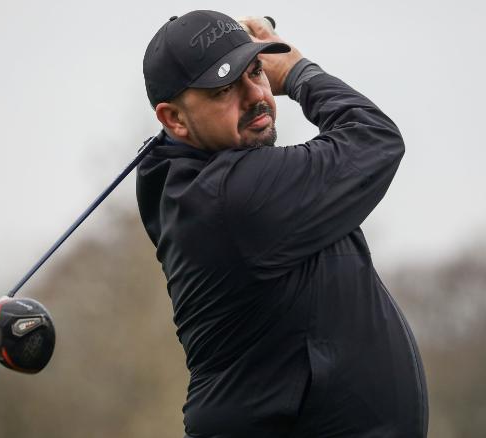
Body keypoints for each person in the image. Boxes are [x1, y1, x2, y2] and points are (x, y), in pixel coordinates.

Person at [136, 10, 428, 438]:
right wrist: (295, 72)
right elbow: (374, 139)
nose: (256, 95)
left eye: (256, 71)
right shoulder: (233, 197)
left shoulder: (197, 182)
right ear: (174, 120)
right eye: (223, 89)